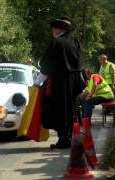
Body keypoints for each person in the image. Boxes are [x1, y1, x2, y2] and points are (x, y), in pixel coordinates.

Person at [38, 17, 85, 149]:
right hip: (75, 83)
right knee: (71, 110)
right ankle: (70, 137)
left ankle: (63, 139)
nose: (52, 31)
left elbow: (46, 64)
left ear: (59, 29)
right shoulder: (76, 42)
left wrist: (38, 82)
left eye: (53, 28)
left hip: (59, 83)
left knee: (58, 111)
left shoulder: (57, 42)